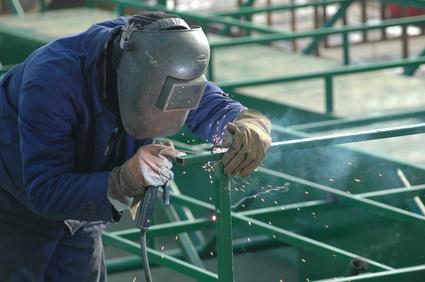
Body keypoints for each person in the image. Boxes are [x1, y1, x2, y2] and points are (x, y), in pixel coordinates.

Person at [0, 11, 272, 281]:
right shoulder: (52, 83)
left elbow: (206, 102)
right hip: (12, 205)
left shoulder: (159, 56)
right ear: (127, 78)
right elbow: (44, 190)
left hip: (82, 212)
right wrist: (124, 180)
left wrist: (245, 122)